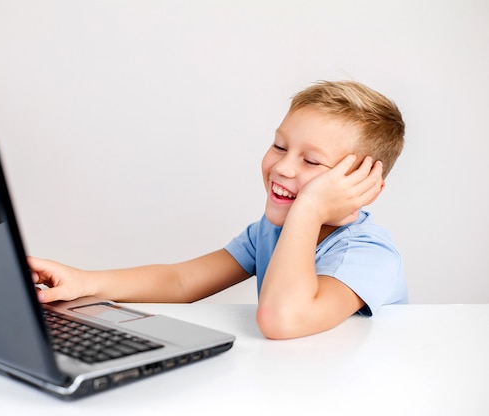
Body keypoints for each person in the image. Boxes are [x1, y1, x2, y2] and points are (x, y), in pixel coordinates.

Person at [28, 80, 407, 340]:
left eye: (311, 161)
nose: (283, 167)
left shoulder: (366, 254)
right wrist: (84, 280)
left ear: (363, 187)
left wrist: (308, 208)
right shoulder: (271, 231)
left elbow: (281, 319)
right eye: (279, 146)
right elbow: (182, 281)